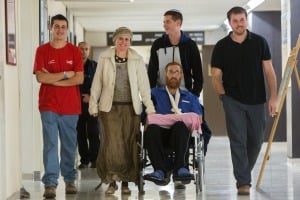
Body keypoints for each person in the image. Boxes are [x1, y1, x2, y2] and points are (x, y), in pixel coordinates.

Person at [210, 6, 277, 196]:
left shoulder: (259, 42)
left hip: (257, 100)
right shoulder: (221, 46)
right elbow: (215, 75)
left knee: (256, 140)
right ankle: (243, 182)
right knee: (238, 139)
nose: (240, 24)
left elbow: (269, 71)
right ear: (230, 23)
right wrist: (223, 95)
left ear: (246, 20)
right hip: (233, 100)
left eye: (242, 20)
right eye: (235, 21)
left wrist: (274, 96)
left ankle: (244, 172)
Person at [89, 27, 155, 195]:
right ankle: (111, 181)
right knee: (110, 145)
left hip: (131, 109)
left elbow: (144, 87)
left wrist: (150, 108)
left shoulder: (137, 60)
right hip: (108, 108)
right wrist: (93, 105)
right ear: (115, 40)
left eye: (126, 39)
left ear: (130, 41)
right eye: (120, 39)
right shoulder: (105, 57)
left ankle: (126, 181)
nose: (123, 42)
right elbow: (97, 83)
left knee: (129, 144)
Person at [33, 14, 84, 199]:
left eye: (63, 27)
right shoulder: (42, 51)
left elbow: (79, 78)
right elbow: (40, 77)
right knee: (51, 145)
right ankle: (50, 183)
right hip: (48, 105)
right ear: (50, 28)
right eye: (57, 26)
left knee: (69, 146)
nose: (60, 30)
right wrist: (64, 75)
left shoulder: (75, 51)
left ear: (67, 29)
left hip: (71, 106)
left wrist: (53, 79)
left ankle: (70, 179)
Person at [144, 62, 203, 186]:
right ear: (165, 74)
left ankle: (180, 168)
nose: (174, 75)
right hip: (159, 134)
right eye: (171, 72)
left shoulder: (190, 96)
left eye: (177, 72)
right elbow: (145, 116)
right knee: (152, 128)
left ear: (181, 75)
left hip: (180, 136)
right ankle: (159, 170)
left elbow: (198, 119)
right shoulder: (153, 93)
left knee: (180, 125)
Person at [148, 9, 203, 97]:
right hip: (161, 94)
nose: (164, 25)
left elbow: (198, 73)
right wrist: (151, 94)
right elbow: (152, 72)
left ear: (178, 23)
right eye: (164, 22)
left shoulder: (190, 45)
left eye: (167, 22)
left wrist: (195, 95)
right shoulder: (158, 44)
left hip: (184, 93)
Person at [76, 41, 100, 169]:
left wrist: (91, 98)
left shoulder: (95, 66)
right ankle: (84, 160)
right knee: (80, 133)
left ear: (89, 51)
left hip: (92, 104)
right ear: (77, 50)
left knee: (94, 132)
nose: (83, 51)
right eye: (81, 49)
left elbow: (101, 85)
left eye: (86, 49)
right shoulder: (73, 66)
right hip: (76, 104)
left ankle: (95, 159)